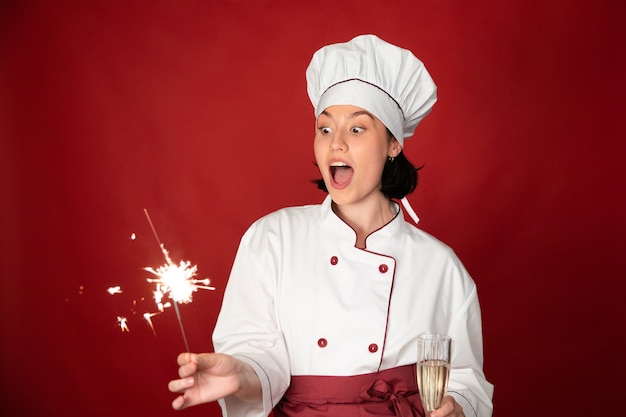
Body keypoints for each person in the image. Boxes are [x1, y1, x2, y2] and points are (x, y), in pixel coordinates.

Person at [168, 34, 494, 417]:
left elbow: (466, 380)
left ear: (393, 144)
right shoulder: (273, 239)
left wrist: (459, 408)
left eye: (357, 129)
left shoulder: (441, 266)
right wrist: (241, 373)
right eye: (325, 129)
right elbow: (256, 352)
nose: (336, 144)